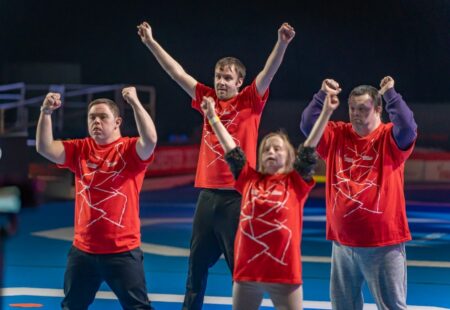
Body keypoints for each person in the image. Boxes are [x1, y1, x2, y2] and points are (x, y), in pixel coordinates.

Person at [137, 21, 295, 309]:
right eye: (218, 76)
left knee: (240, 270)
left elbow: (268, 71)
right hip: (207, 198)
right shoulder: (206, 99)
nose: (221, 82)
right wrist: (150, 42)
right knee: (195, 268)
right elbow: (176, 72)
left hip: (238, 197)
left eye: (227, 77)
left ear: (239, 82)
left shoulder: (250, 100)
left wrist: (282, 43)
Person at [201, 93, 338, 309]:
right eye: (266, 149)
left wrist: (327, 113)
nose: (270, 152)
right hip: (247, 271)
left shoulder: (295, 182)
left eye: (277, 148)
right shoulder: (248, 178)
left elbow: (309, 150)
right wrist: (212, 117)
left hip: (283, 272)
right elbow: (231, 150)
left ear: (290, 156)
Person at [300, 76, 418, 309]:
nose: (355, 114)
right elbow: (307, 125)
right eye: (352, 108)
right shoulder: (336, 134)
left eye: (363, 109)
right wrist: (321, 95)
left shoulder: (390, 137)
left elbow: (408, 127)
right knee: (343, 306)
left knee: (392, 306)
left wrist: (391, 95)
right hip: (342, 244)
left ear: (378, 109)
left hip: (383, 243)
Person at [36, 87, 157, 309]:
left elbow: (150, 139)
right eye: (92, 117)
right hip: (83, 251)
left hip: (122, 250)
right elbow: (44, 148)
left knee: (138, 307)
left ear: (117, 122)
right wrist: (45, 113)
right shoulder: (80, 149)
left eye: (103, 117)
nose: (96, 122)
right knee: (72, 306)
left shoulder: (130, 149)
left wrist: (135, 103)